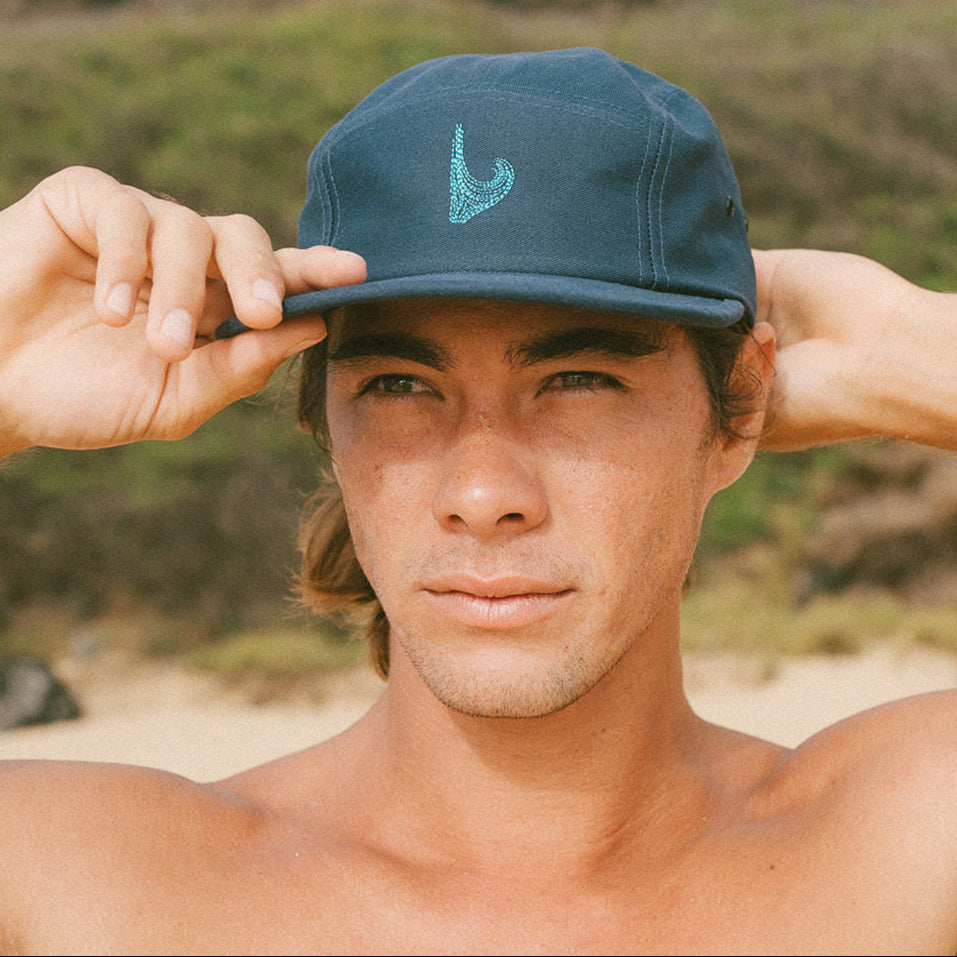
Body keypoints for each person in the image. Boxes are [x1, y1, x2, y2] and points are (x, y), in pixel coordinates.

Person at [1, 47, 956, 954]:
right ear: (324, 421)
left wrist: (905, 348)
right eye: (400, 387)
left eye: (579, 379)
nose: (483, 495)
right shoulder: (79, 886)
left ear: (734, 408)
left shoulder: (904, 851)